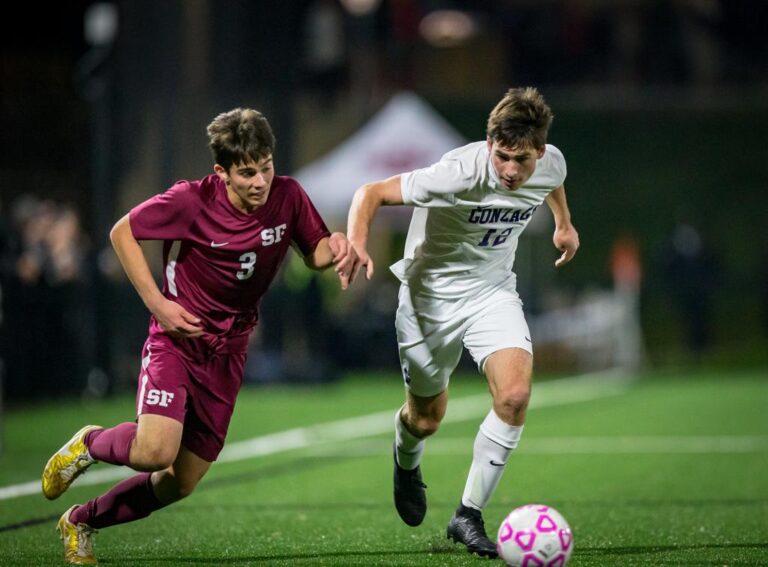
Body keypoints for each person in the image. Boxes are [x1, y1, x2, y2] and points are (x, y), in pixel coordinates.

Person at [42, 107, 360, 565]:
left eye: (266, 167)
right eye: (247, 172)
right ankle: (90, 443)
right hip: (177, 342)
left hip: (229, 352)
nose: (260, 181)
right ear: (222, 172)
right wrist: (158, 304)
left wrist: (340, 244)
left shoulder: (288, 195)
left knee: (180, 482)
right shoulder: (191, 201)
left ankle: (81, 521)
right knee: (154, 450)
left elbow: (315, 253)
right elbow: (122, 233)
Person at [347, 87, 579, 558]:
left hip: (492, 293)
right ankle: (406, 458)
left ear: (539, 150)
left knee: (514, 396)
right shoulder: (456, 173)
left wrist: (564, 223)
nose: (512, 171)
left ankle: (467, 514)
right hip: (428, 300)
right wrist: (356, 241)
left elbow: (553, 180)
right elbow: (370, 192)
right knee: (426, 418)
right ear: (490, 144)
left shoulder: (550, 162)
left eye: (523, 160)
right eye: (504, 157)